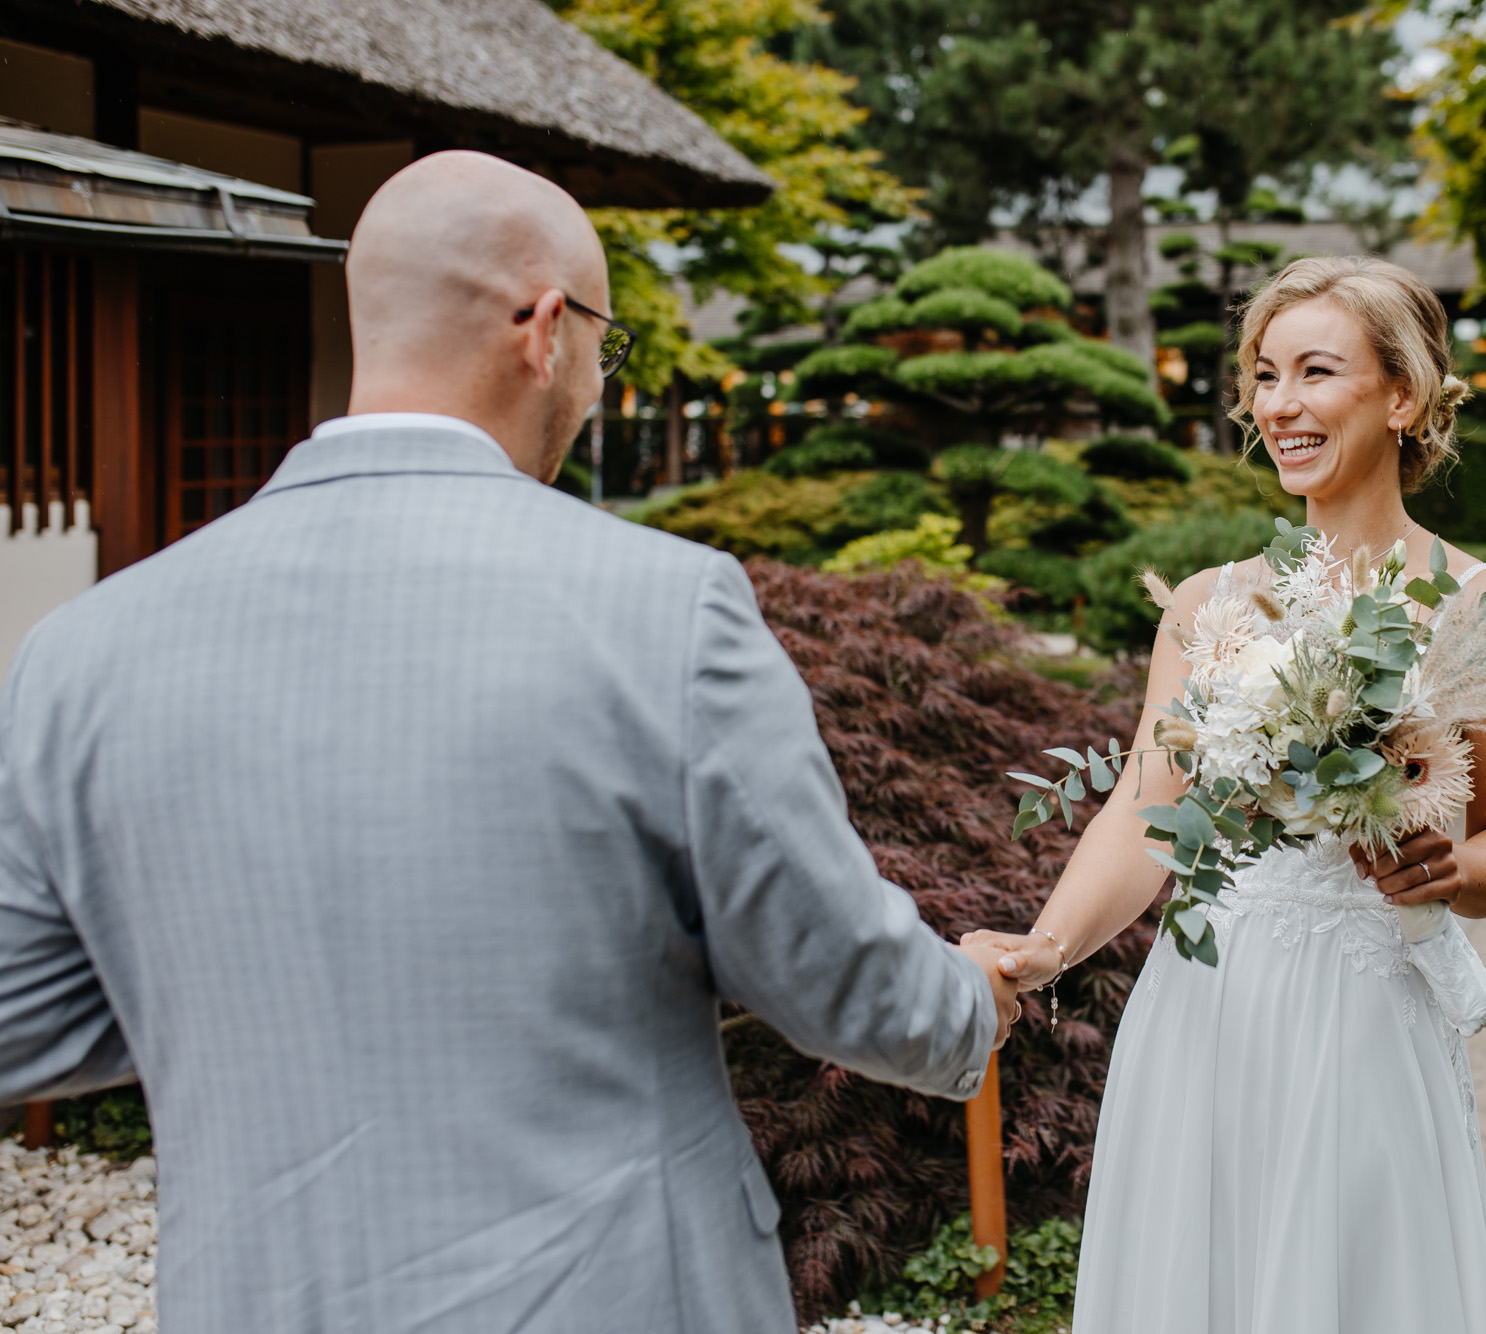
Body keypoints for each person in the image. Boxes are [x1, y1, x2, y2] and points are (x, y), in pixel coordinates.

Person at [0, 151, 1019, 1333]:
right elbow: (836, 972)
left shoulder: (82, 647)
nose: (595, 381)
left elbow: (22, 1012)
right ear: (544, 326)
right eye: (606, 345)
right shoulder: (662, 606)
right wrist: (966, 1001)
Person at [967, 256, 1486, 1332]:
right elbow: (1147, 808)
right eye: (1262, 374)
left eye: (1313, 371)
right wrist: (1044, 946)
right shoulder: (1207, 605)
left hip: (1367, 1009)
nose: (1276, 404)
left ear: (1401, 394)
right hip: (1207, 1004)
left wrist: (1452, 867)